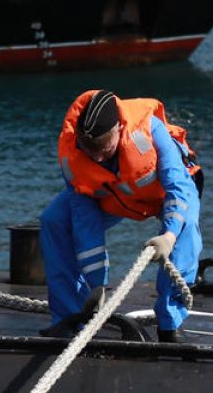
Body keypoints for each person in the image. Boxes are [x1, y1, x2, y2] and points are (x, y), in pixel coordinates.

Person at [40, 89, 202, 342]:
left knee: (186, 228)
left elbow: (177, 189)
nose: (97, 158)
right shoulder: (73, 156)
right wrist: (97, 284)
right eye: (89, 151)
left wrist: (169, 236)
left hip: (163, 194)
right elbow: (85, 219)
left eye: (104, 150)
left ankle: (170, 323)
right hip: (115, 197)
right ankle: (69, 317)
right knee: (55, 221)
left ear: (119, 129)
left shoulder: (151, 130)